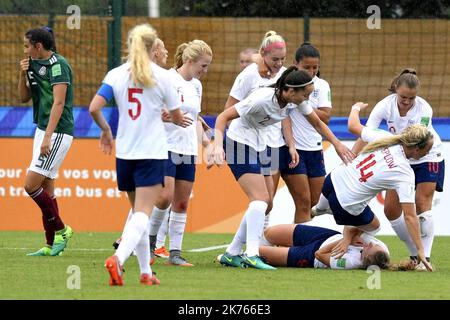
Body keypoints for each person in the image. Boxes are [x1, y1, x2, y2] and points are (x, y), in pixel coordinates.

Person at [209, 66, 354, 270]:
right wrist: (216, 145)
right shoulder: (261, 98)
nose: (307, 99)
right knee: (259, 200)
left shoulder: (294, 101)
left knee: (266, 204)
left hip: (259, 144)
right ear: (291, 91)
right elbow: (223, 116)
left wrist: (337, 144)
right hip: (238, 143)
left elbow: (318, 124)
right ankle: (251, 254)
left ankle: (232, 253)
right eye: (305, 94)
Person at [89, 23, 191, 286]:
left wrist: (105, 131)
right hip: (151, 153)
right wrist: (174, 116)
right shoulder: (163, 77)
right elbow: (177, 114)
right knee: (143, 214)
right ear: (153, 47)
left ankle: (145, 272)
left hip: (124, 153)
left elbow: (94, 107)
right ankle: (118, 259)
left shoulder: (116, 74)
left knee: (138, 213)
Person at [311, 105, 434, 271]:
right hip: (345, 205)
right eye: (428, 149)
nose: (428, 153)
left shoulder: (385, 136)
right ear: (417, 148)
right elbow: (410, 216)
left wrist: (355, 108)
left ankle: (319, 208)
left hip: (333, 180)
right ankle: (345, 236)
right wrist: (420, 251)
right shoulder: (405, 173)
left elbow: (353, 126)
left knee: (324, 206)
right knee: (374, 227)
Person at [354, 69, 445, 267]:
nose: (406, 101)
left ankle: (424, 259)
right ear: (395, 89)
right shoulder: (384, 106)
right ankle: (414, 254)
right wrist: (353, 158)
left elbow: (417, 140)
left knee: (422, 204)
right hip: (402, 157)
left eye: (411, 98)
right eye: (403, 97)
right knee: (391, 210)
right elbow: (365, 133)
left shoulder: (424, 109)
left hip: (426, 155)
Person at [147, 39, 213, 267]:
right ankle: (150, 244)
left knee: (182, 203)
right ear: (189, 60)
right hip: (164, 146)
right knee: (164, 197)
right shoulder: (165, 79)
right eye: (202, 66)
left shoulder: (196, 86)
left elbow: (195, 119)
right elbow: (149, 110)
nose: (205, 71)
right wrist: (161, 116)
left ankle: (175, 253)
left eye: (207, 66)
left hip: (187, 149)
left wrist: (206, 145)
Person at [18, 27, 74, 257]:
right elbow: (23, 98)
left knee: (30, 186)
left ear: (38, 46)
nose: (25, 49)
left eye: (26, 45)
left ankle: (62, 229)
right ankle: (52, 245)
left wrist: (49, 136)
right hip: (41, 129)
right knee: (47, 190)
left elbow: (59, 104)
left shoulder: (59, 65)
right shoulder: (31, 64)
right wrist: (22, 74)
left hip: (57, 131)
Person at [278, 42, 333, 223]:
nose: (311, 71)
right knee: (302, 202)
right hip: (292, 150)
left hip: (315, 150)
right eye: (306, 67)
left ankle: (304, 241)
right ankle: (298, 247)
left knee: (316, 204)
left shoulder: (322, 85)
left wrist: (303, 103)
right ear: (295, 64)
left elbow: (325, 117)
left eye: (315, 67)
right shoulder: (289, 84)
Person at [253, 224, 390, 270]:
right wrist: (347, 239)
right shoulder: (381, 248)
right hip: (325, 235)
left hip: (310, 256)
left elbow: (319, 254)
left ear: (365, 257)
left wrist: (344, 241)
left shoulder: (350, 263)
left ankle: (234, 253)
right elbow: (350, 226)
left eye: (369, 247)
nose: (371, 243)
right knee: (269, 233)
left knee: (256, 252)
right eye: (374, 243)